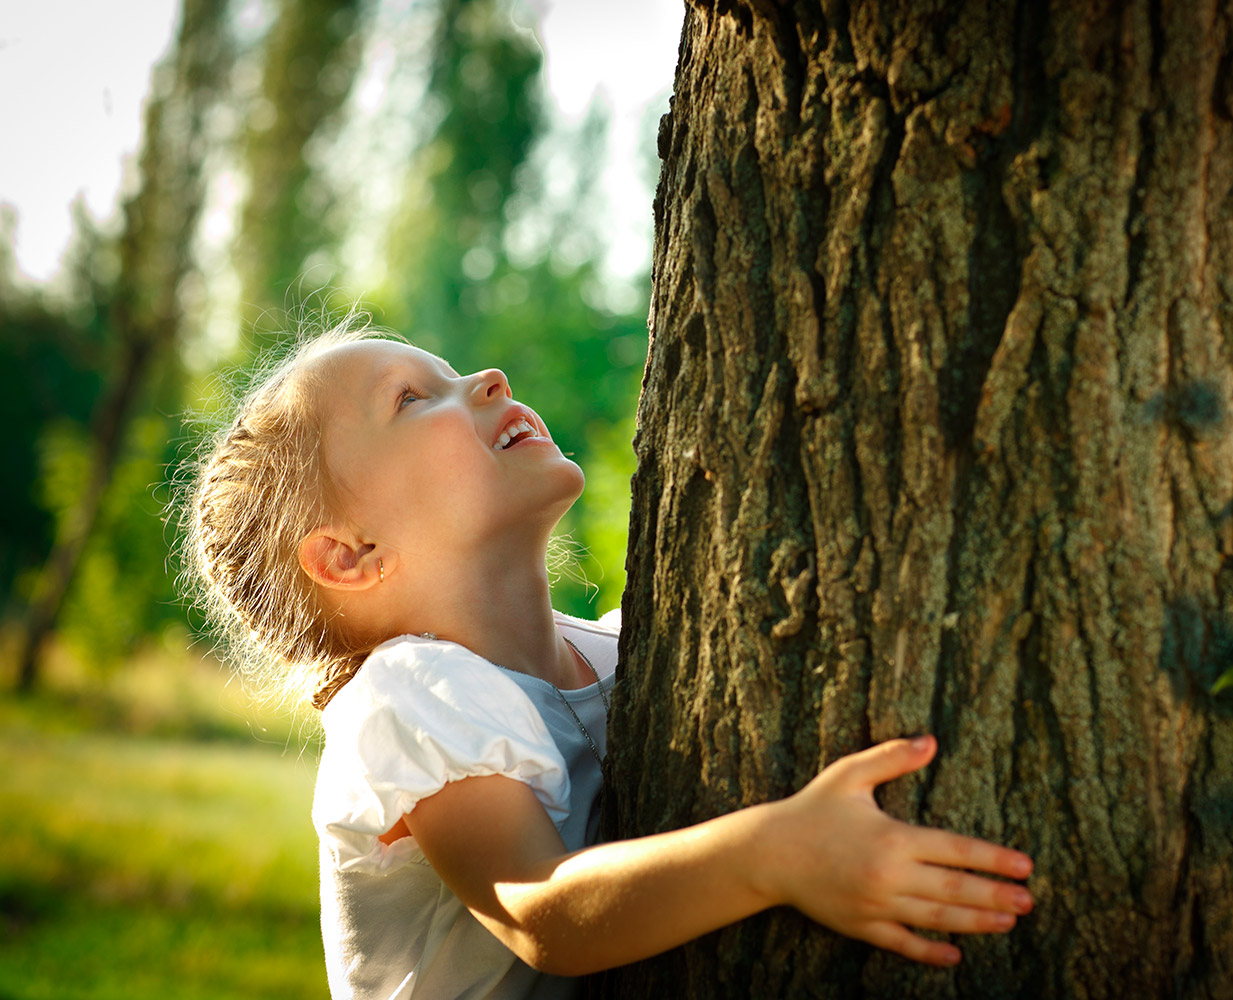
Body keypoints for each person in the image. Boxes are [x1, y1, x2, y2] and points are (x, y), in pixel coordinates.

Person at [182, 320, 1034, 999]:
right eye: (413, 398)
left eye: (453, 371)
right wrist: (778, 854)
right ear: (350, 555)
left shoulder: (628, 646)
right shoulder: (408, 701)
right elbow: (541, 914)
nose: (489, 379)